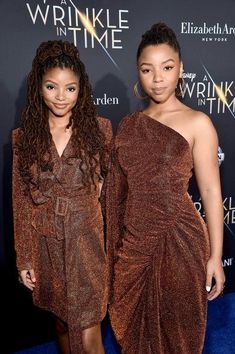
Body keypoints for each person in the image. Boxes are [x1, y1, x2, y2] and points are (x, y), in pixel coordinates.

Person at [105, 22, 225, 354]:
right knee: (136, 337)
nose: (158, 78)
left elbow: (212, 193)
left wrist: (215, 256)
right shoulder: (128, 127)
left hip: (180, 241)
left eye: (167, 67)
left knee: (180, 336)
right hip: (135, 244)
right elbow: (118, 195)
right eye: (148, 69)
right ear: (138, 73)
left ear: (181, 69)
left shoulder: (198, 122)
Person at [12, 40, 112, 354]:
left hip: (87, 245)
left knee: (89, 328)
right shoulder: (23, 138)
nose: (60, 96)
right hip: (47, 246)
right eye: (52, 87)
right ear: (38, 87)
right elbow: (21, 200)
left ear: (81, 89)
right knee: (61, 322)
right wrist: (25, 259)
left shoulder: (100, 131)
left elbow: (111, 190)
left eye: (70, 88)